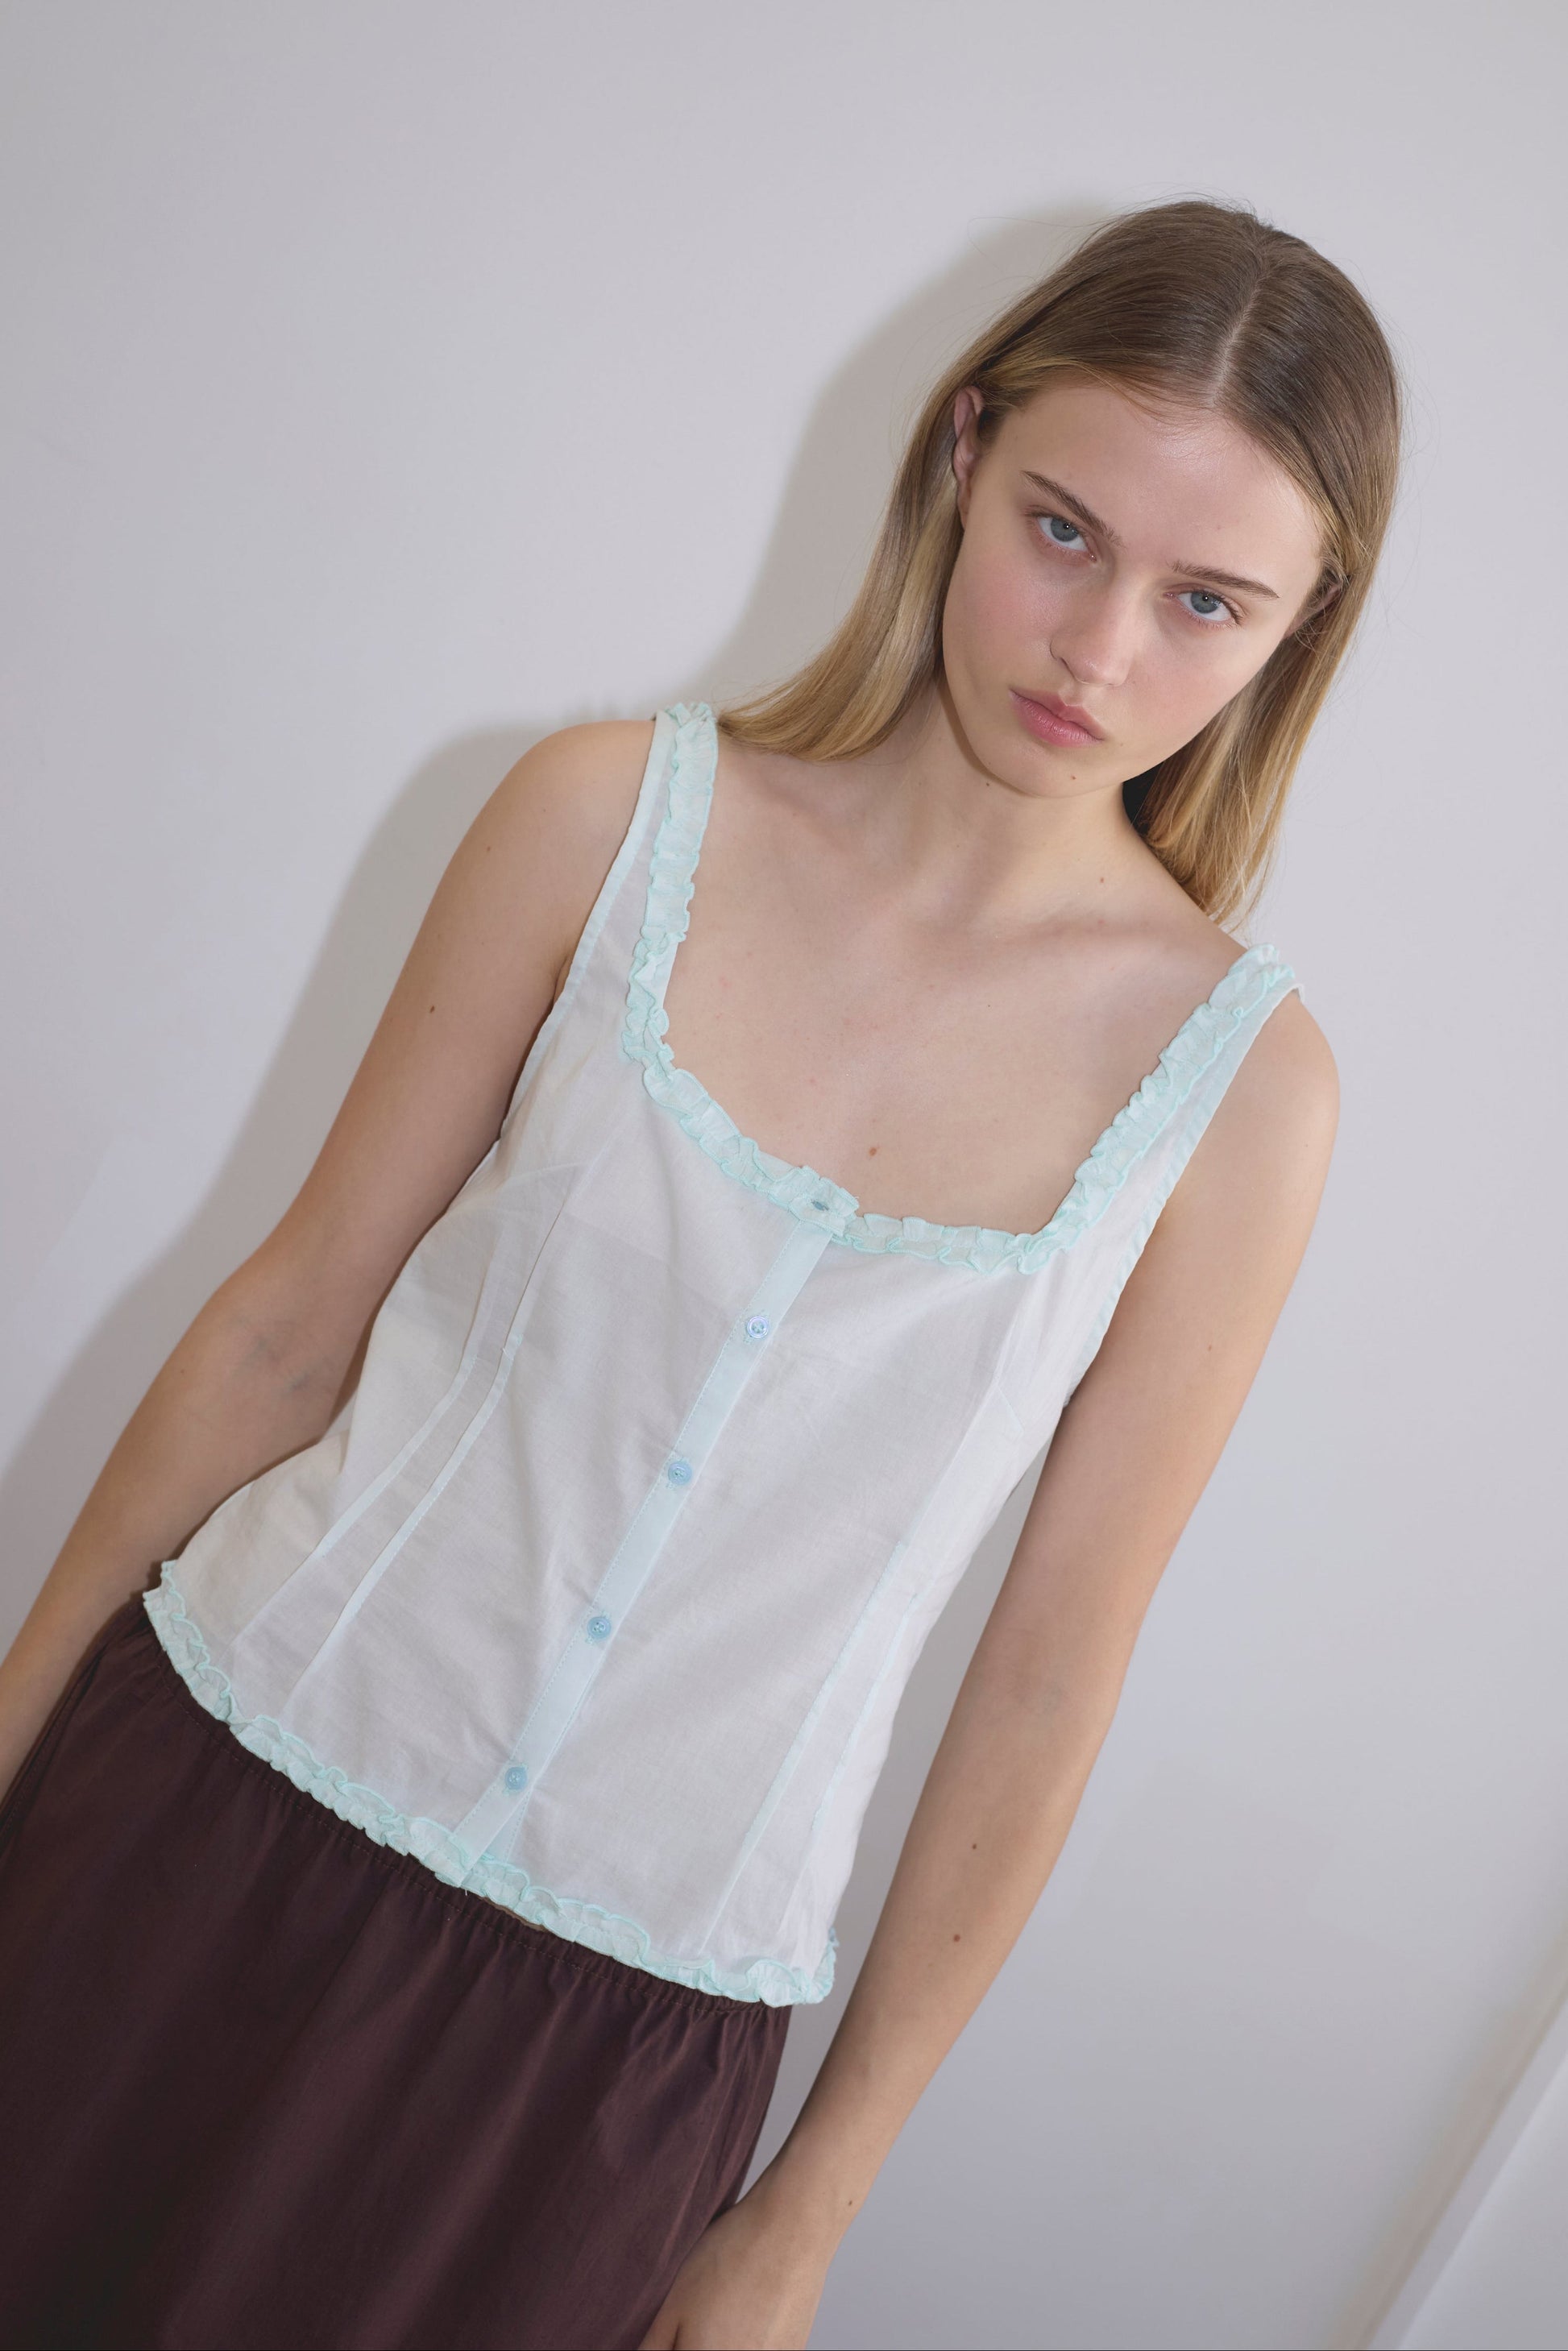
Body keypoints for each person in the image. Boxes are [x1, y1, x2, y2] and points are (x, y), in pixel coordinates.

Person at [0, 197, 1401, 2351]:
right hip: (189, 1812)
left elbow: (1041, 1678)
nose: (1099, 650)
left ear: (1295, 635)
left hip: (610, 2052)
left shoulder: (1241, 1100)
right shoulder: (598, 818)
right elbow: (288, 1325)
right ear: (956, 456)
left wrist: (802, 2217)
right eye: (1060, 530)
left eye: (1204, 601)